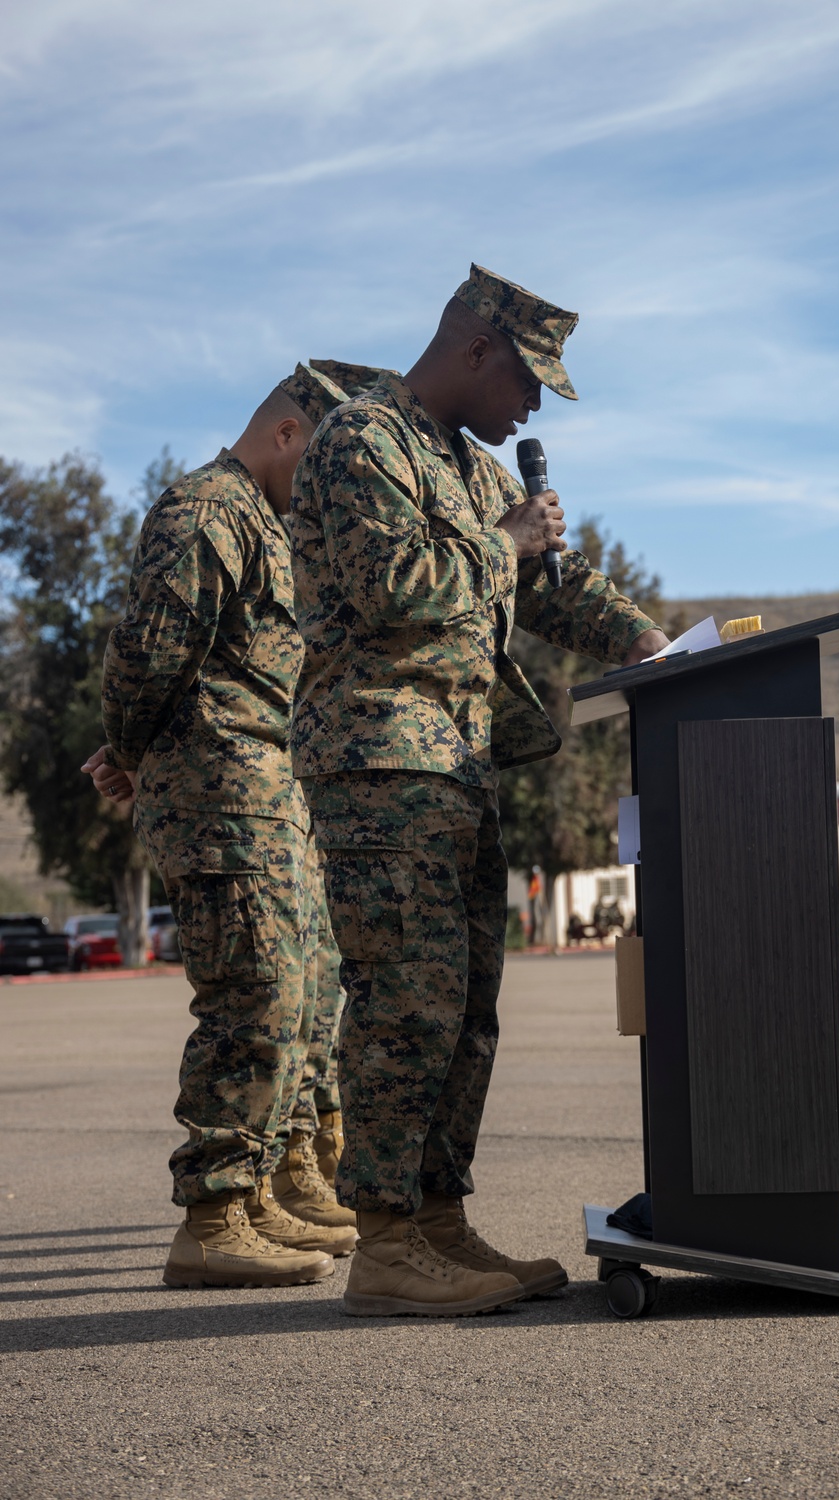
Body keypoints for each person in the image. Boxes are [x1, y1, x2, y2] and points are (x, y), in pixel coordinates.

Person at [290, 264, 669, 1317]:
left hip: (454, 765)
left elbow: (552, 581)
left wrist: (648, 644)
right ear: (474, 352)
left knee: (464, 1013)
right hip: (379, 763)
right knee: (405, 1009)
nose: (533, 407)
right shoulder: (361, 443)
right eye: (529, 382)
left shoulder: (462, 464)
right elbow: (400, 591)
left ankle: (438, 1220)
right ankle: (385, 1244)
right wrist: (507, 542)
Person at [92, 362, 376, 1288]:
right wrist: (131, 753)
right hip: (219, 788)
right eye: (325, 469)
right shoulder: (209, 510)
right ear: (289, 435)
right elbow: (146, 657)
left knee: (296, 992)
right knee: (251, 992)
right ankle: (213, 1216)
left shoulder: (265, 521)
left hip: (264, 783)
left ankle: (267, 1190)